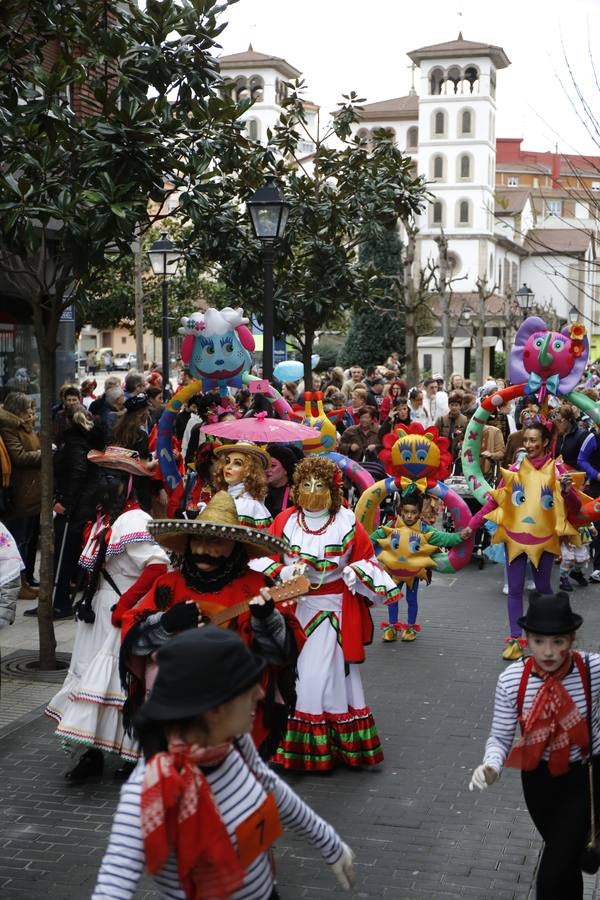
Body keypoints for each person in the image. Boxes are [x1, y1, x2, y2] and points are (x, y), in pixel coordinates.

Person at [93, 627, 355, 899]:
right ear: (214, 709)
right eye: (248, 687)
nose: (260, 694)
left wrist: (328, 841)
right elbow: (113, 885)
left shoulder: (234, 743)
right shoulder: (149, 791)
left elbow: (271, 786)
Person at [118, 491, 304, 760]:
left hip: (235, 717)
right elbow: (132, 642)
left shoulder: (257, 586)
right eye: (198, 540)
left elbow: (281, 656)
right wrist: (165, 623)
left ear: (235, 546)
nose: (204, 550)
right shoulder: (168, 586)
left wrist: (266, 621)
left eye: (215, 541)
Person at [257, 456, 399, 771]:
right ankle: (310, 747)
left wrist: (355, 573)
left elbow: (368, 560)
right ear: (295, 488)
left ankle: (319, 748)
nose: (312, 490)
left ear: (332, 488)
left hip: (334, 611)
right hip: (295, 608)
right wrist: (284, 570)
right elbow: (262, 558)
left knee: (320, 676)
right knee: (301, 675)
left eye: (319, 484)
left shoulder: (347, 522)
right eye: (305, 484)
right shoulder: (285, 521)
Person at [45, 447, 170, 781]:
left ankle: (132, 756)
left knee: (121, 685)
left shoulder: (134, 520)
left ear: (129, 484)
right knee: (92, 679)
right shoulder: (103, 518)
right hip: (98, 611)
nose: (106, 481)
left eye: (114, 476)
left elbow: (157, 566)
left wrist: (127, 604)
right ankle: (93, 753)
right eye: (103, 474)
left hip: (120, 613)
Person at [469, 592, 600, 900]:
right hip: (538, 781)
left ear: (572, 639)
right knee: (565, 862)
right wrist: (491, 765)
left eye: (558, 641)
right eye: (540, 641)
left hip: (584, 778)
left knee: (552, 873)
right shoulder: (512, 680)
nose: (549, 652)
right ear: (526, 639)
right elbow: (500, 736)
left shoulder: (592, 670)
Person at [465, 422, 583, 660]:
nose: (528, 445)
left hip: (544, 540)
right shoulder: (516, 468)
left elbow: (576, 508)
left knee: (544, 590)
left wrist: (568, 491)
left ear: (546, 442)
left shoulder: (557, 470)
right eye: (525, 440)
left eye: (533, 440)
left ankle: (550, 637)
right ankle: (516, 639)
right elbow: (493, 501)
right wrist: (471, 525)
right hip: (515, 539)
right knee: (515, 590)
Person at [372, 488, 468, 642]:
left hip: (412, 572)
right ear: (401, 511)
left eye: (414, 512)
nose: (409, 515)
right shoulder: (392, 525)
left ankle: (410, 627)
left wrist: (458, 536)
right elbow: (373, 537)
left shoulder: (424, 529)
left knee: (411, 599)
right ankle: (392, 627)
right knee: (392, 598)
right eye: (406, 512)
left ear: (419, 513)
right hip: (393, 571)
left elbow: (441, 538)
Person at [0, 392, 40, 601]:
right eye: (28, 409)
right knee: (18, 540)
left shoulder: (24, 426)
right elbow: (20, 457)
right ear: (17, 410)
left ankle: (26, 580)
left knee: (27, 539)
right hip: (21, 491)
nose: (31, 412)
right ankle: (18, 583)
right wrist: (46, 454)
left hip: (31, 490)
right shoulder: (10, 428)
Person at [212, 441, 272, 530]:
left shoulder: (249, 506)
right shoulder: (222, 497)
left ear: (250, 470)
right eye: (227, 461)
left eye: (237, 463)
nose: (228, 467)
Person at [265, 442, 303, 518]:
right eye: (266, 465)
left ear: (286, 469)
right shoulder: (258, 490)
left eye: (273, 466)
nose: (267, 470)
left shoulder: (296, 494)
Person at [434, 392, 467, 461]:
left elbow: (467, 436)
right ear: (449, 405)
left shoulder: (465, 420)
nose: (454, 407)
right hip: (443, 453)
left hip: (458, 453)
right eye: (452, 405)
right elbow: (435, 434)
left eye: (456, 405)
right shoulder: (441, 419)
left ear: (460, 406)